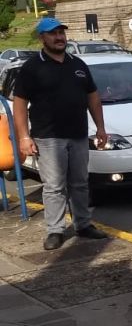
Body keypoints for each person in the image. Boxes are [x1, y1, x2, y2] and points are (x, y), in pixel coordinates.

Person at [12, 17, 110, 250]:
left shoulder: (77, 64)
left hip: (77, 134)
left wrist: (101, 128)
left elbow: (93, 97)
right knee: (54, 186)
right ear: (42, 38)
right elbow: (19, 104)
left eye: (61, 33)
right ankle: (55, 230)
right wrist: (24, 137)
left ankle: (83, 224)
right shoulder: (32, 67)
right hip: (48, 138)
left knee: (80, 183)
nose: (59, 37)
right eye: (53, 34)